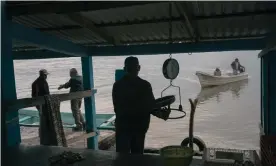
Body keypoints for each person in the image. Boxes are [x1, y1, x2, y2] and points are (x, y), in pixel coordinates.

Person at [112, 56, 158, 154]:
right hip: (140, 127)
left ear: (124, 69)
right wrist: (162, 114)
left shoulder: (117, 85)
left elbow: (116, 107)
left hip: (122, 126)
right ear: (139, 68)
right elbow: (152, 107)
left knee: (122, 157)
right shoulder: (145, 85)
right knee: (137, 157)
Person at [31, 69, 50, 139]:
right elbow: (46, 93)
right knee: (43, 116)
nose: (46, 76)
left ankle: (44, 132)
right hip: (41, 103)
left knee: (43, 116)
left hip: (42, 103)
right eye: (46, 75)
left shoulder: (37, 82)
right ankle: (42, 133)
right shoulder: (39, 83)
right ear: (44, 75)